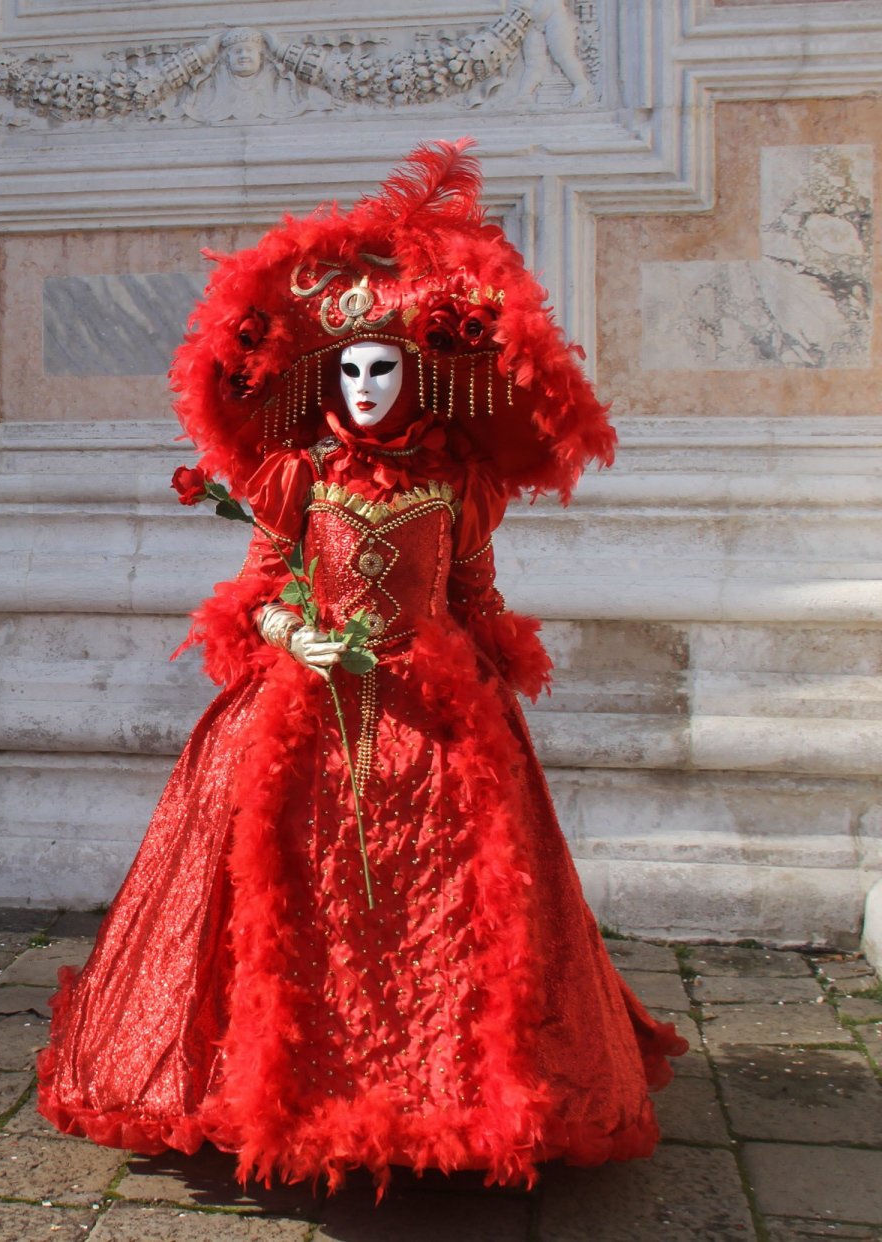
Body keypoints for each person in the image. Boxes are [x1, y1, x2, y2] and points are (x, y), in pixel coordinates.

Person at [35, 139, 686, 1194]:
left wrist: (491, 685)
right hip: (303, 710)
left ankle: (445, 1103)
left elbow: (476, 599)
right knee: (275, 897)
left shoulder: (463, 488)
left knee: (468, 904)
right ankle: (277, 1093)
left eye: (386, 367)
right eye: (350, 369)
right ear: (327, 376)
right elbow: (253, 596)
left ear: (418, 373)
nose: (369, 385)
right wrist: (295, 634)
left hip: (438, 729)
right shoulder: (293, 479)